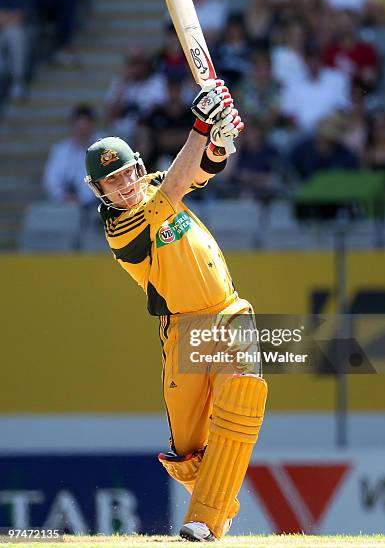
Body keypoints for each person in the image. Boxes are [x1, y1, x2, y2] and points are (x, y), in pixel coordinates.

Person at [84, 80, 267, 542]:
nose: (125, 185)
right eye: (113, 181)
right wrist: (202, 126)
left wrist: (219, 140)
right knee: (188, 450)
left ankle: (204, 520)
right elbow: (181, 181)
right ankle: (218, 495)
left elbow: (204, 169)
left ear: (138, 167)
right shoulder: (119, 227)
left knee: (241, 398)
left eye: (127, 173)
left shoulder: (154, 188)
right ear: (99, 190)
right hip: (182, 330)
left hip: (228, 313)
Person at [44, 104, 99, 205]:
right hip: (63, 203)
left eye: (85, 128)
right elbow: (51, 180)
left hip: (92, 204)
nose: (82, 132)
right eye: (79, 128)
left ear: (92, 127)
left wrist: (83, 198)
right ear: (73, 126)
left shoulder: (100, 152)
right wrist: (63, 196)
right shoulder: (60, 150)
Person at [0, 0, 29, 99]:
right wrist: (6, 15)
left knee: (16, 34)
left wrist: (3, 17)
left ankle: (18, 82)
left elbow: (19, 16)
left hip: (8, 29)